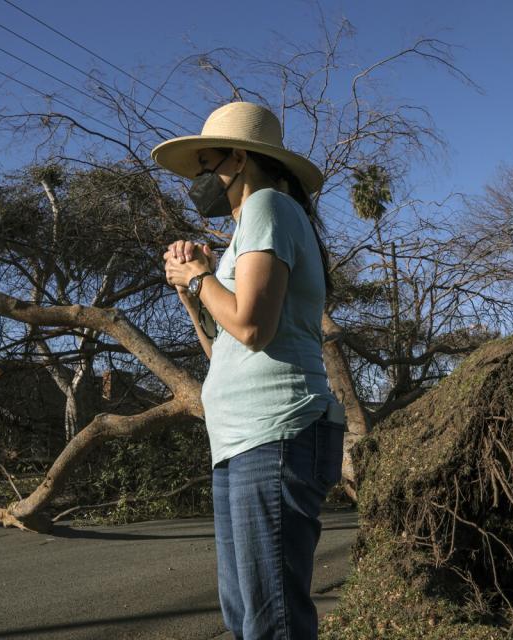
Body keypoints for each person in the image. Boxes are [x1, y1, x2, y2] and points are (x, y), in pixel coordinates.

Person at [153, 101, 346, 640]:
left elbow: (253, 327)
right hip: (240, 440)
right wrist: (192, 293)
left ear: (239, 157)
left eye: (205, 164)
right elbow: (227, 352)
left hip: (276, 432)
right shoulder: (248, 230)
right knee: (246, 617)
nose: (199, 180)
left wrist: (198, 275)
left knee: (271, 620)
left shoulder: (268, 206)